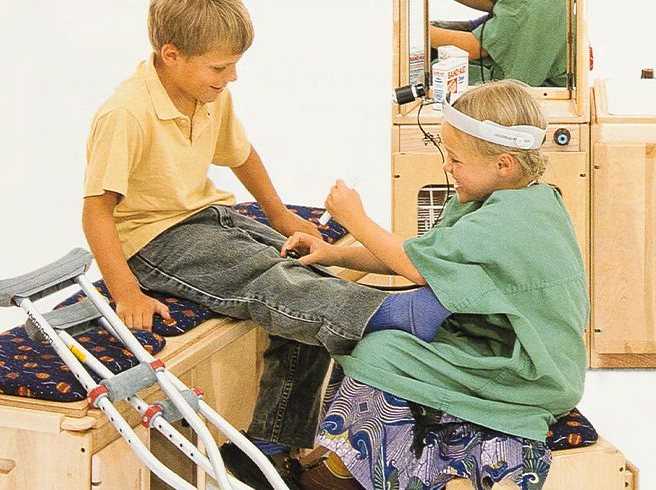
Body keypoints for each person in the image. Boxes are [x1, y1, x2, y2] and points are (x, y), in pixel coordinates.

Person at [82, 1, 453, 488]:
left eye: (235, 63)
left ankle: (271, 443)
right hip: (153, 242)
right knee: (270, 282)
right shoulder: (126, 113)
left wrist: (278, 214)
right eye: (221, 66)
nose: (231, 76)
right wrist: (126, 292)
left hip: (207, 214)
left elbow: (241, 154)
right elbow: (95, 212)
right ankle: (395, 313)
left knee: (306, 270)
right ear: (171, 55)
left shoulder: (206, 91)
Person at [282, 80, 589, 490]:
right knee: (383, 342)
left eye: (456, 159)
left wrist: (354, 219)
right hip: (505, 350)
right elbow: (426, 254)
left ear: (504, 163)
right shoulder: (512, 201)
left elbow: (414, 266)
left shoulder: (508, 221)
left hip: (532, 374)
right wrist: (335, 254)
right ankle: (345, 464)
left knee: (381, 351)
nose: (447, 167)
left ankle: (353, 475)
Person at [429, 0, 568, 87]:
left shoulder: (531, 6)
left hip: (532, 91)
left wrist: (417, 30)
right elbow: (498, 4)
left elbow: (474, 47)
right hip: (529, 70)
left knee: (435, 71)